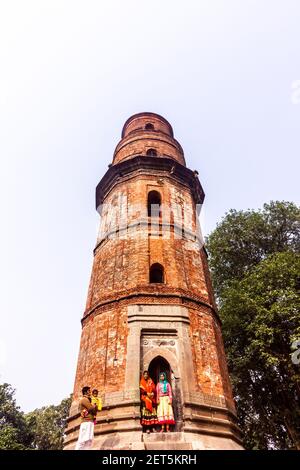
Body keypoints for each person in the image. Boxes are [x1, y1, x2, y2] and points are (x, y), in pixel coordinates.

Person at [75, 386, 98, 450]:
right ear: (85, 392)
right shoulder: (84, 400)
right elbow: (91, 409)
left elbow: (94, 412)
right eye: (89, 391)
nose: (90, 392)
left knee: (89, 440)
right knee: (82, 440)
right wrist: (94, 406)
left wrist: (94, 406)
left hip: (90, 421)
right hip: (86, 422)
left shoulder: (88, 400)